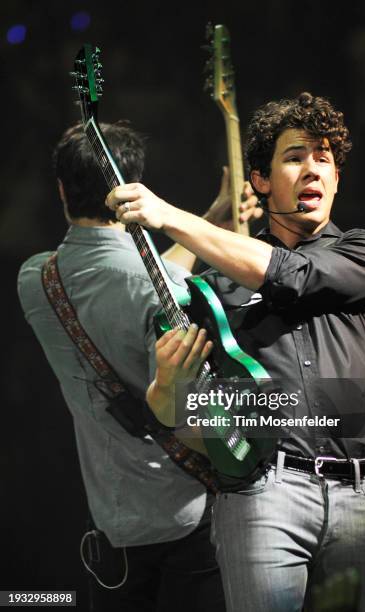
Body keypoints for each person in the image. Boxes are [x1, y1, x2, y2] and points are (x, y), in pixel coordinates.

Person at [106, 92, 365, 612]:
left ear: (336, 179)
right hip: (262, 495)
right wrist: (170, 386)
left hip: (360, 498)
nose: (312, 168)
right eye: (294, 157)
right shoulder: (214, 292)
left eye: (323, 158)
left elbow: (289, 273)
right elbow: (179, 419)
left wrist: (168, 215)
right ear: (260, 181)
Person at [17, 120, 261, 612]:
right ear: (131, 189)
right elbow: (152, 288)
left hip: (113, 525)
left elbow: (129, 281)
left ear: (62, 189)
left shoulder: (35, 280)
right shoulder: (167, 288)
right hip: (190, 517)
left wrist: (207, 221)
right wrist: (211, 233)